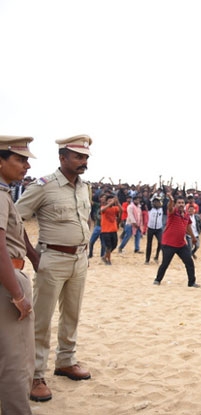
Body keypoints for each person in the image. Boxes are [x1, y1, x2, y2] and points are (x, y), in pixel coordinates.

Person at [16, 134, 94, 403]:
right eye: (78, 156)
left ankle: (66, 361)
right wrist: (33, 255)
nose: (83, 161)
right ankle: (36, 374)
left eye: (85, 157)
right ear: (62, 158)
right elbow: (15, 220)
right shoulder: (44, 186)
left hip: (79, 260)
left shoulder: (85, 187)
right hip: (51, 260)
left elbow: (85, 218)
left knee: (72, 314)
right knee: (41, 319)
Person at [0, 135, 36, 414]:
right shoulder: (0, 196)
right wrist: (17, 294)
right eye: (20, 159)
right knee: (16, 358)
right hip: (8, 279)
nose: (26, 166)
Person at [152, 192, 200, 287]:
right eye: (179, 203)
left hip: (181, 244)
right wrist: (171, 200)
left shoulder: (186, 215)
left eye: (182, 203)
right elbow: (170, 208)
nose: (181, 204)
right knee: (165, 263)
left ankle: (191, 282)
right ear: (176, 204)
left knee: (189, 262)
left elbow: (188, 227)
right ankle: (157, 280)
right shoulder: (173, 212)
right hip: (168, 243)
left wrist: (193, 238)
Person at [100, 193, 122, 265]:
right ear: (106, 202)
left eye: (111, 200)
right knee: (108, 246)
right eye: (109, 201)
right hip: (105, 230)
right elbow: (102, 210)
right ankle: (108, 260)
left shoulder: (115, 208)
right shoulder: (103, 207)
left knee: (114, 245)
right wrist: (111, 203)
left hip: (113, 229)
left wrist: (117, 202)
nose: (111, 202)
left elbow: (121, 210)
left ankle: (105, 256)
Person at [144, 196, 164, 264]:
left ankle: (156, 256)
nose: (156, 203)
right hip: (150, 228)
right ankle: (147, 259)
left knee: (161, 242)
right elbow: (147, 201)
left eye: (157, 202)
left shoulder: (162, 209)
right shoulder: (150, 209)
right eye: (155, 202)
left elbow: (167, 201)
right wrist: (151, 194)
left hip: (159, 229)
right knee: (149, 244)